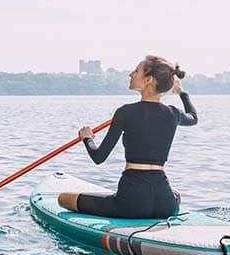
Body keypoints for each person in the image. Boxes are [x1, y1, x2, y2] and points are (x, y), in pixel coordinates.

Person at [57, 55, 197, 219]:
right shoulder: (173, 113)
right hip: (165, 204)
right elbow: (193, 117)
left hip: (131, 203)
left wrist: (87, 138)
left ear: (149, 80)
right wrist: (181, 92)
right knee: (175, 194)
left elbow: (99, 157)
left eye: (136, 71)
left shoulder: (124, 112)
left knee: (63, 198)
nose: (131, 74)